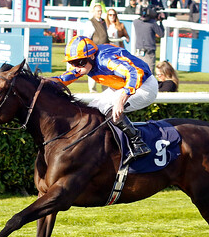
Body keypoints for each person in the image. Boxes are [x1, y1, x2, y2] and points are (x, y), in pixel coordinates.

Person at [53, 35, 157, 163]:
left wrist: (121, 99)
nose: (76, 67)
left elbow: (135, 72)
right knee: (92, 108)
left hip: (145, 86)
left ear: (91, 56)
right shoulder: (86, 64)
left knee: (108, 106)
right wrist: (41, 83)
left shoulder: (106, 60)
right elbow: (64, 78)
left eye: (79, 62)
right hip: (121, 86)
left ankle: (138, 144)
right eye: (72, 63)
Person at [132, 5, 166, 70]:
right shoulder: (152, 24)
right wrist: (160, 22)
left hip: (138, 52)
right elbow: (161, 34)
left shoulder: (136, 22)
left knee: (139, 74)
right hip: (149, 53)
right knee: (149, 75)